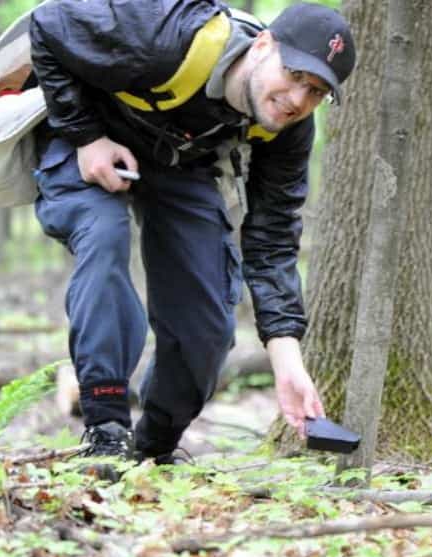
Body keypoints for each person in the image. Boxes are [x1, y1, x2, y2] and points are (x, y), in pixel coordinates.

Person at [29, 0, 356, 464]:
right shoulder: (167, 35)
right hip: (90, 132)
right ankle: (106, 432)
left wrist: (288, 364)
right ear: (263, 45)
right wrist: (86, 136)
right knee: (104, 235)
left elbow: (273, 240)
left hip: (180, 162)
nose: (298, 100)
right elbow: (47, 25)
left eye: (316, 91)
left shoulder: (287, 130)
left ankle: (153, 450)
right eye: (294, 74)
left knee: (207, 324)